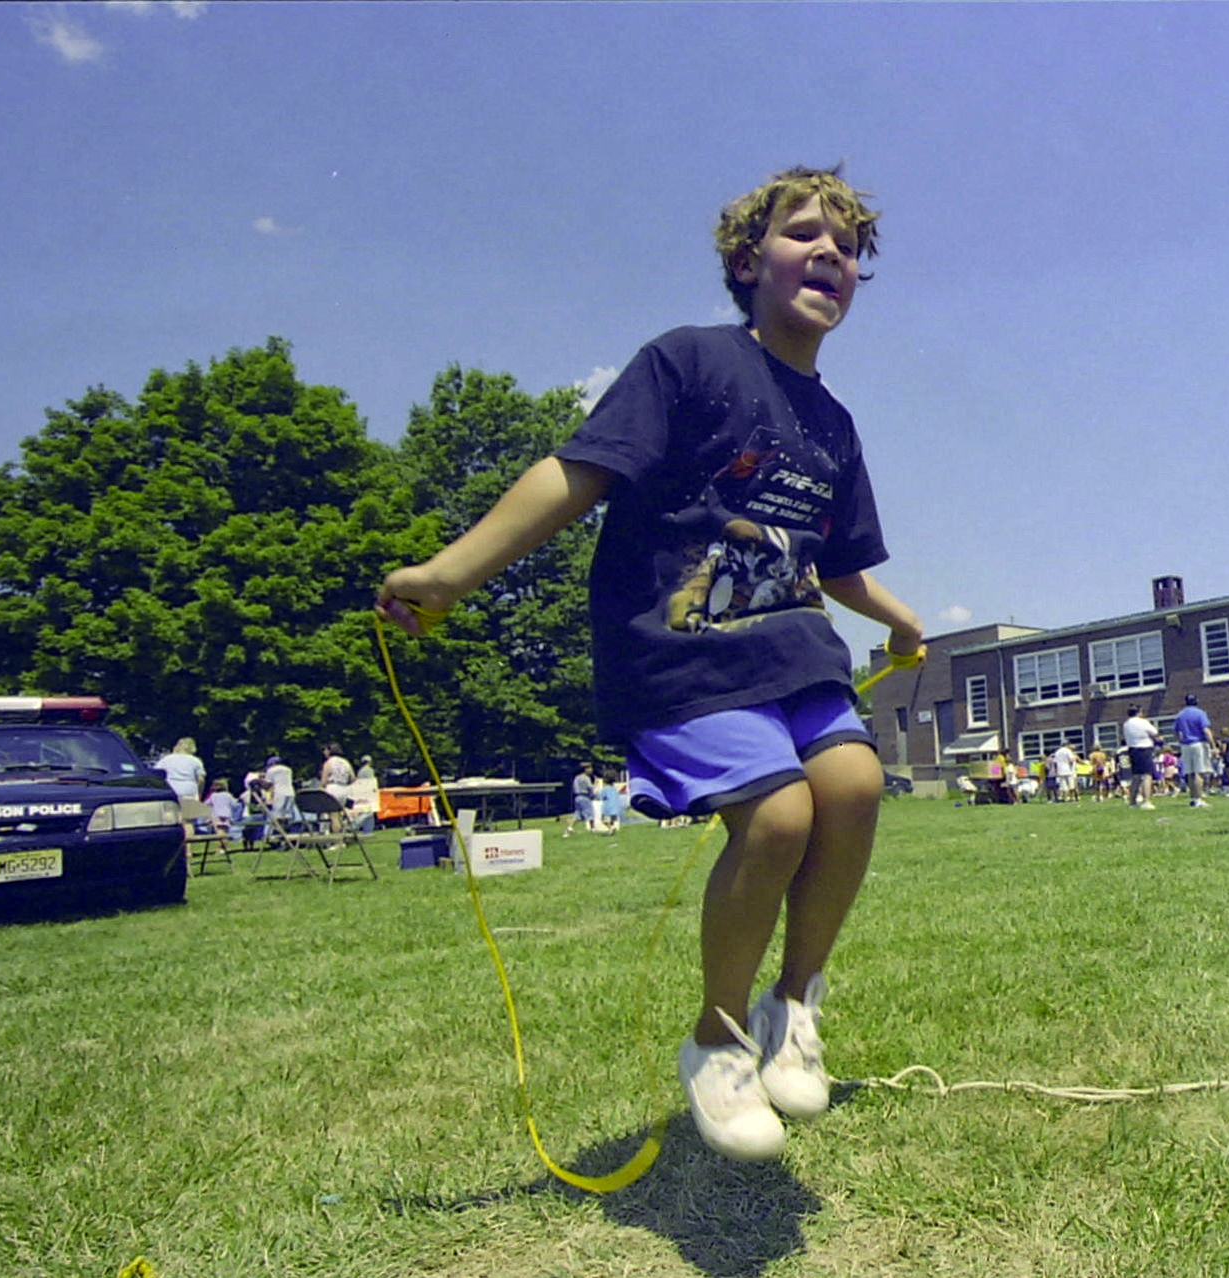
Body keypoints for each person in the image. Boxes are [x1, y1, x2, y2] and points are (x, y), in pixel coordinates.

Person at [376, 166, 923, 1162]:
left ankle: (794, 1004)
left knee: (851, 785)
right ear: (746, 262)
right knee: (778, 817)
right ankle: (717, 1039)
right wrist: (452, 574)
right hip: (682, 651)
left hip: (795, 647)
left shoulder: (834, 427)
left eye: (847, 248)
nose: (830, 255)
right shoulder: (687, 363)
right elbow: (576, 472)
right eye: (805, 234)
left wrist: (896, 619)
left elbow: (838, 561)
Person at [1173, 694, 1215, 808]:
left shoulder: (1180, 715)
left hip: (1185, 745)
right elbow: (1206, 730)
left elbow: (1175, 731)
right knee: (1199, 772)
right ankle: (1199, 799)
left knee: (1190, 773)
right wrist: (1213, 745)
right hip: (1198, 744)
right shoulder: (1200, 713)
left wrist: (1180, 740)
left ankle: (1193, 798)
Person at [1121, 707, 1161, 810]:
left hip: (1132, 750)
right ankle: (1146, 801)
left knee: (1136, 776)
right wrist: (1159, 743)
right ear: (1139, 712)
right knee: (1147, 775)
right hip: (1144, 749)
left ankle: (1132, 802)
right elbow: (1155, 733)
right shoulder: (1143, 722)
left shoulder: (1126, 724)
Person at [156, 737, 206, 803]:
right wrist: (199, 795)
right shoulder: (196, 761)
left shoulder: (165, 759)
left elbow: (156, 774)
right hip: (188, 791)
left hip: (170, 789)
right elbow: (201, 780)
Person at [264, 754, 298, 827]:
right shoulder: (288, 770)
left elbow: (268, 784)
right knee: (287, 814)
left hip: (279, 793)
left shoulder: (271, 770)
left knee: (277, 814)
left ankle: (276, 830)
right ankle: (286, 829)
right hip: (290, 792)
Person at [565, 761, 597, 836]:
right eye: (590, 768)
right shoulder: (586, 778)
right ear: (585, 769)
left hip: (577, 797)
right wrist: (595, 785)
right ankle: (592, 828)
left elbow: (574, 787)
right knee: (590, 812)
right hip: (585, 796)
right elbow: (590, 788)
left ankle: (570, 827)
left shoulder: (577, 777)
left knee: (577, 814)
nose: (591, 770)